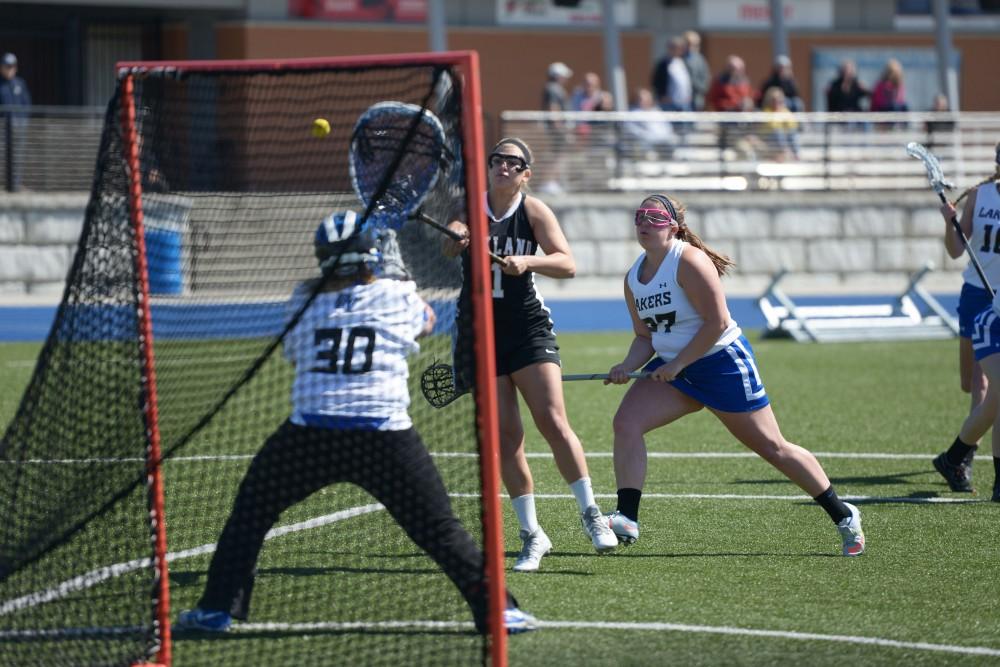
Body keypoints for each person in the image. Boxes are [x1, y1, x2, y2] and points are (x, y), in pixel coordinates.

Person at [176, 212, 538, 634]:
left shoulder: (302, 300)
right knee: (439, 528)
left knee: (250, 516)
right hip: (382, 433)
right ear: (370, 256)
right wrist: (402, 287)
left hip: (311, 432)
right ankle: (498, 611)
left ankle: (218, 609)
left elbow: (297, 354)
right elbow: (426, 322)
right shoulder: (397, 295)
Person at [602, 193, 866, 557]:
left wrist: (677, 364)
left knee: (773, 447)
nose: (644, 222)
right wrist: (627, 367)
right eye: (639, 216)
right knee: (626, 423)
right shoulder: (634, 277)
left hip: (719, 362)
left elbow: (717, 323)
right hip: (673, 369)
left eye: (654, 217)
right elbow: (645, 337)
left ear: (673, 228)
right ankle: (627, 517)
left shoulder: (688, 261)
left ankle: (842, 513)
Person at [442, 137, 618, 572]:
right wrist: (457, 238)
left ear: (526, 173)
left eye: (512, 161)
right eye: (496, 158)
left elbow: (567, 263)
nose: (502, 165)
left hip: (528, 329)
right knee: (507, 439)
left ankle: (591, 514)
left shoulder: (533, 211)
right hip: (481, 334)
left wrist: (528, 264)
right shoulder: (469, 209)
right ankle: (532, 535)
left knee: (553, 421)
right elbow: (449, 248)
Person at [931, 146, 1000, 500]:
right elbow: (956, 250)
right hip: (977, 295)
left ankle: (962, 459)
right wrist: (949, 223)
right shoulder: (979, 195)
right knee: (970, 382)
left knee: (990, 385)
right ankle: (961, 453)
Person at [540, 61, 573, 194]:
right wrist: (559, 127)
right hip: (557, 130)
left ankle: (553, 181)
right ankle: (549, 182)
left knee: (559, 155)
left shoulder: (553, 88)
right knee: (558, 156)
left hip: (557, 129)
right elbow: (553, 109)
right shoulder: (553, 89)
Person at [0, 52, 31, 192]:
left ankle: (16, 184)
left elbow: (27, 104)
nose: (9, 69)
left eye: (12, 66)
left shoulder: (20, 84)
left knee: (18, 156)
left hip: (19, 127)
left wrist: (23, 120)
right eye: (7, 66)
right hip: (3, 128)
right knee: (2, 154)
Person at [624, 87, 676, 159]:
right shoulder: (633, 113)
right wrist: (646, 135)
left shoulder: (657, 111)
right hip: (645, 143)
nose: (645, 101)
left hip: (663, 141)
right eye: (642, 99)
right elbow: (632, 129)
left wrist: (664, 135)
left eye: (647, 98)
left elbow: (667, 126)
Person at [651, 37, 693, 112]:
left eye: (681, 48)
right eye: (675, 47)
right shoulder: (663, 64)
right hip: (669, 103)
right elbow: (656, 81)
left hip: (685, 103)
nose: (679, 50)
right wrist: (662, 96)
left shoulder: (684, 62)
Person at [758, 86, 800, 161]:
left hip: (784, 138)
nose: (777, 101)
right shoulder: (767, 111)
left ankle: (796, 155)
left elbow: (792, 125)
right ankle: (784, 152)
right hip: (769, 139)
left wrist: (782, 120)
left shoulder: (785, 111)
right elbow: (772, 126)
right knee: (778, 132)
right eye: (774, 99)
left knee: (791, 133)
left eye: (779, 99)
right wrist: (781, 120)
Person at [682, 30, 711, 112]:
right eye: (688, 44)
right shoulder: (677, 59)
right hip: (678, 101)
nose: (690, 47)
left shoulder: (700, 60)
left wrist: (698, 88)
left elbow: (705, 79)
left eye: (694, 45)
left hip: (695, 100)